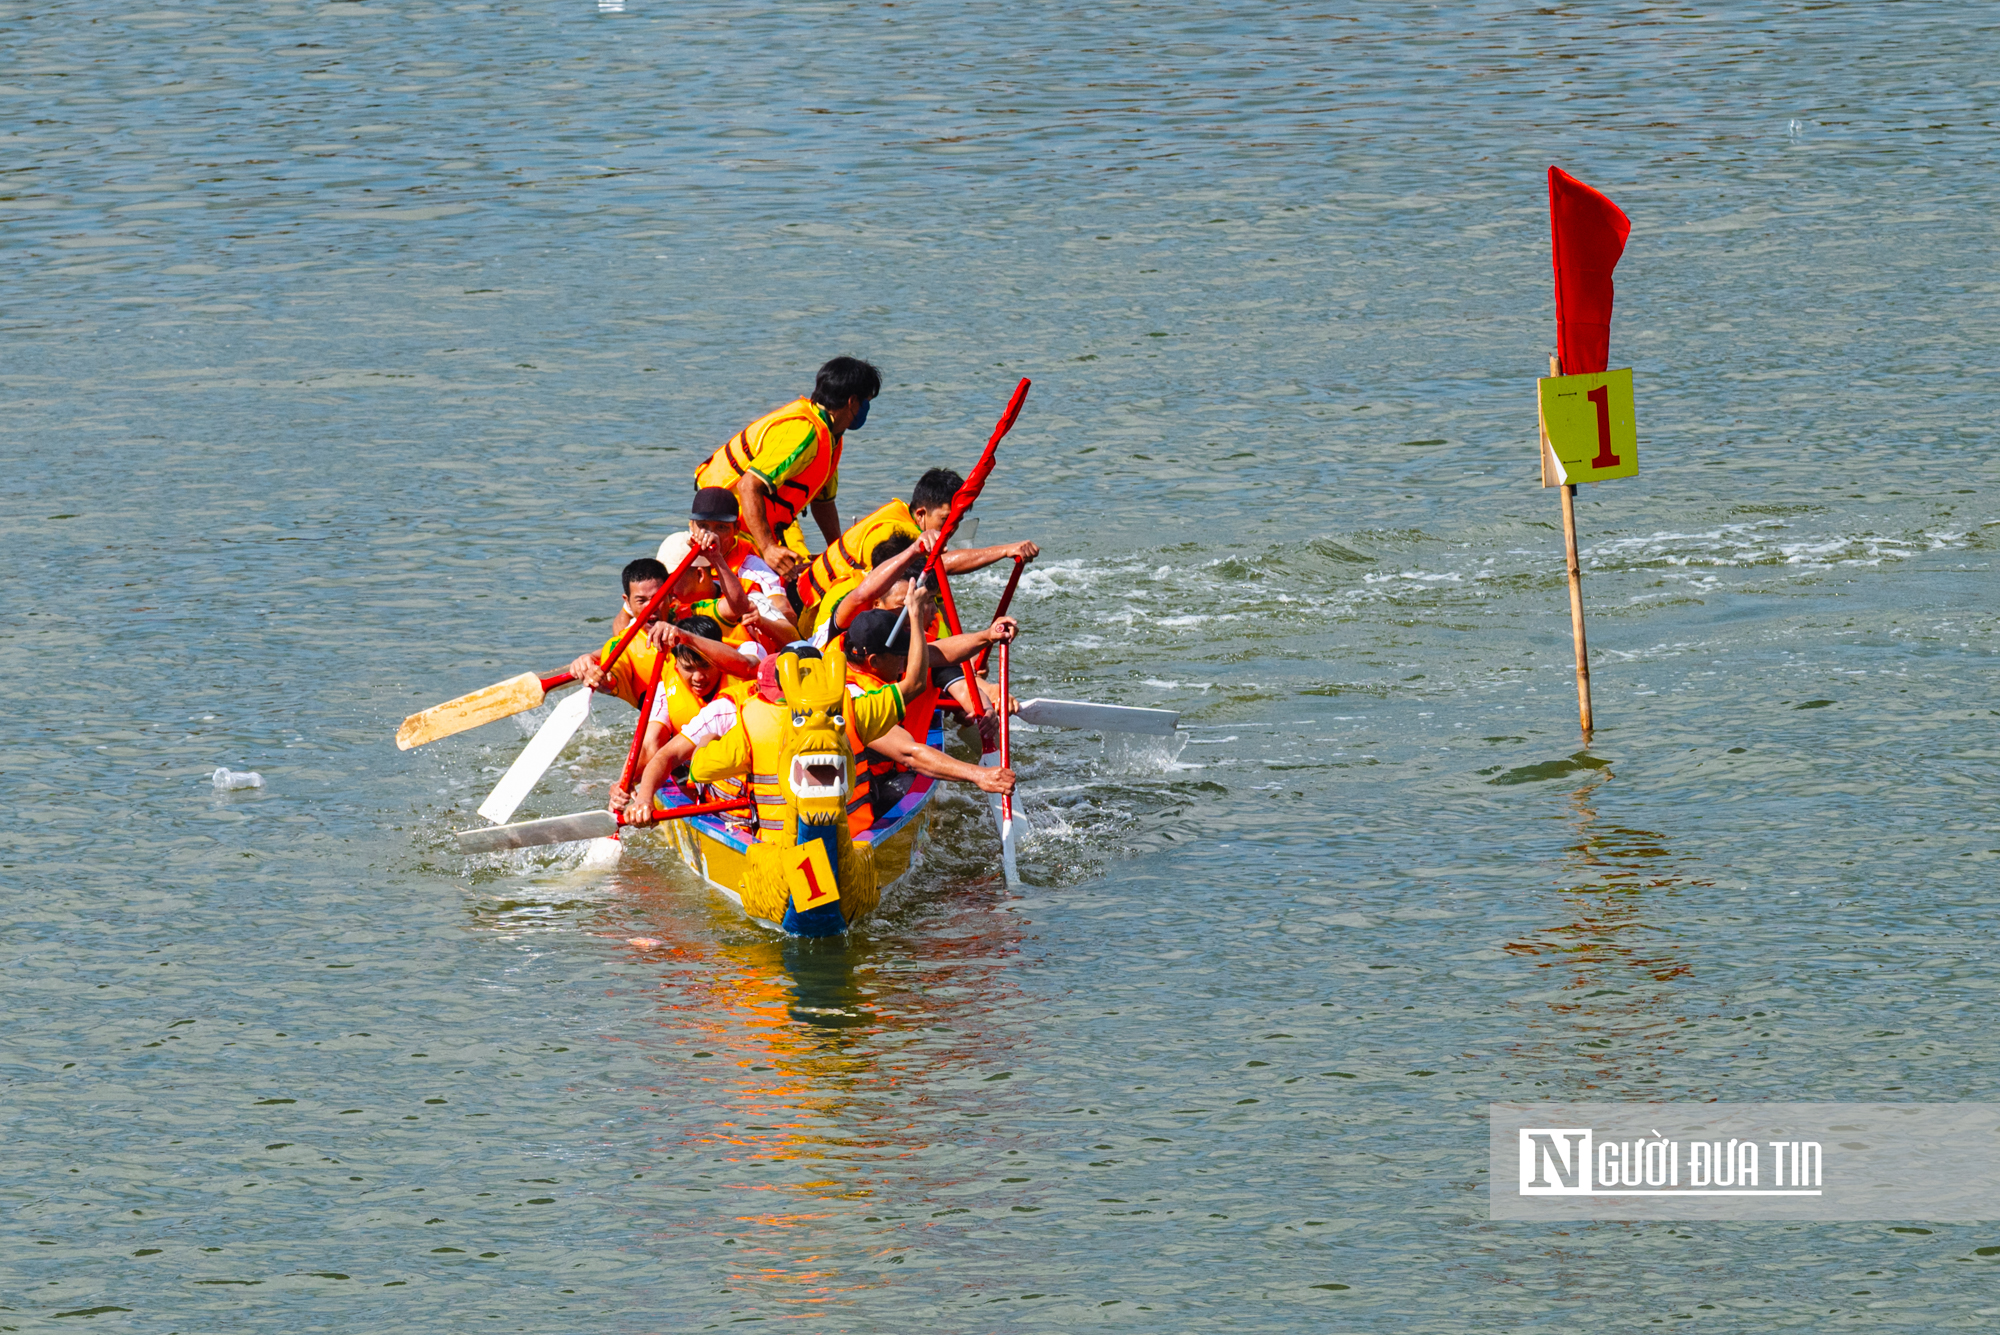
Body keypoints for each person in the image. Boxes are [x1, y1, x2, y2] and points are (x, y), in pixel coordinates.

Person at [619, 585, 935, 831]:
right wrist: (643, 798)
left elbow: (913, 699)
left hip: (823, 828)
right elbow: (687, 764)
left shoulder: (844, 705)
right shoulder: (733, 714)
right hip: (757, 827)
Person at [692, 357, 881, 581]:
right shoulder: (805, 432)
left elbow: (824, 503)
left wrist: (839, 555)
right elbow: (748, 485)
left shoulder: (830, 440)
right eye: (866, 402)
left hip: (756, 529)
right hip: (729, 531)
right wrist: (769, 548)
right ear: (852, 402)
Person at [839, 607, 1019, 836]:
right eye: (899, 656)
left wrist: (987, 636)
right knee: (903, 783)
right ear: (874, 661)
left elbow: (938, 652)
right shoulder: (855, 700)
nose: (906, 662)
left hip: (888, 774)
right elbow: (910, 754)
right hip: (854, 804)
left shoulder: (866, 663)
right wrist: (980, 775)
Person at [793, 466, 1040, 615]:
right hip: (820, 613)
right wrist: (1005, 550)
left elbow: (940, 605)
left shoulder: (917, 527)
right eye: (946, 520)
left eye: (958, 520)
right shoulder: (893, 532)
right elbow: (941, 563)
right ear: (921, 514)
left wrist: (966, 661)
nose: (952, 530)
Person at [609, 614, 755, 816]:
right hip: (691, 764)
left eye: (705, 666)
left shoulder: (747, 654)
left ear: (719, 660)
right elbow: (651, 744)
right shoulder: (666, 689)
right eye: (688, 668)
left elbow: (749, 666)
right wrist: (626, 783)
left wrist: (687, 638)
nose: (698, 678)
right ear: (676, 665)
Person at [563, 557, 678, 707]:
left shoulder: (695, 616)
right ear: (628, 602)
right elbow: (610, 680)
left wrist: (716, 560)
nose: (651, 607)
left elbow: (720, 608)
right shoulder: (621, 645)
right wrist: (599, 679)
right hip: (660, 725)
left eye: (658, 598)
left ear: (670, 594)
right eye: (641, 601)